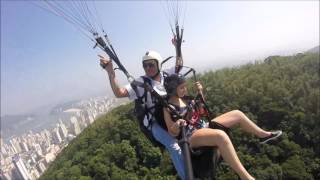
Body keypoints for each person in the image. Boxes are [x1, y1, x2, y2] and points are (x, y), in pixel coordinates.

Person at [163, 74, 282, 180]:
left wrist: (200, 92)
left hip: (203, 126)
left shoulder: (185, 99)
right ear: (173, 90)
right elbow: (171, 132)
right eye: (182, 87)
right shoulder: (168, 108)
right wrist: (177, 124)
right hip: (191, 136)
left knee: (237, 114)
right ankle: (245, 177)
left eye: (185, 86)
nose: (185, 89)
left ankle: (263, 135)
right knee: (221, 136)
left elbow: (200, 109)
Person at [99, 51, 185, 179]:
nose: (148, 68)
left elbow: (179, 65)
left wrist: (177, 46)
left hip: (171, 116)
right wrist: (110, 72)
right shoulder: (141, 83)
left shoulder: (166, 75)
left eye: (151, 65)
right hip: (154, 122)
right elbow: (119, 92)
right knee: (173, 145)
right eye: (145, 66)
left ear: (159, 64)